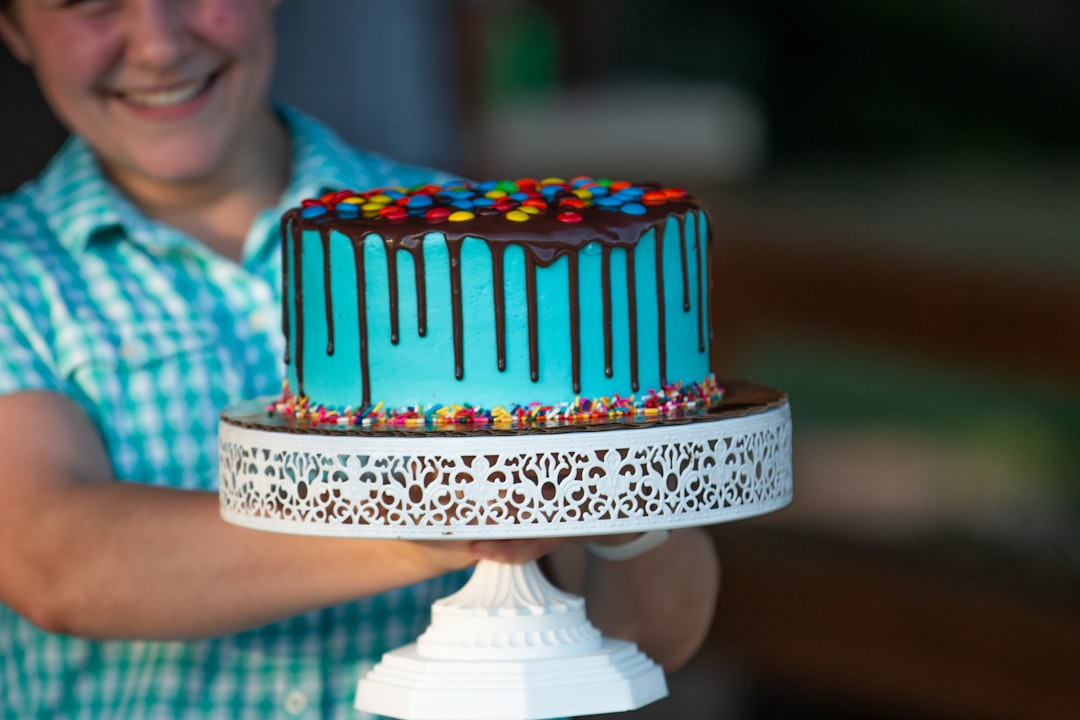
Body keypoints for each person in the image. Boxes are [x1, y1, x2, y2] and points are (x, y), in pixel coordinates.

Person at [0, 0, 721, 717]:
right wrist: (443, 519)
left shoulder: (483, 243)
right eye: (91, 4)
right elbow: (59, 561)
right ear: (14, 28)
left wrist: (625, 492)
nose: (157, 45)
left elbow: (639, 638)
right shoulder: (17, 276)